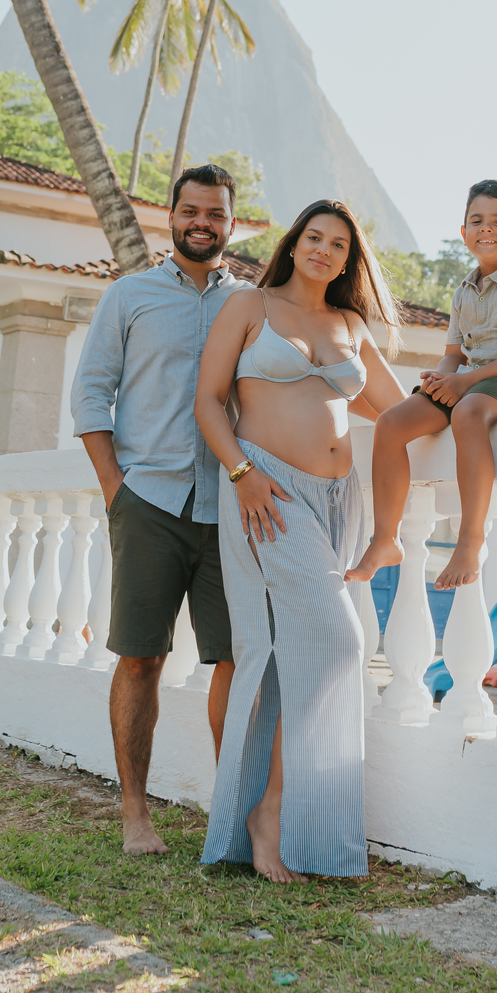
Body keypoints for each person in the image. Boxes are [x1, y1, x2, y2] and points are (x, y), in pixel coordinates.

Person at [195, 199, 405, 884]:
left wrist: (479, 384)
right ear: (293, 245)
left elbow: (396, 409)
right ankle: (270, 813)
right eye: (314, 237)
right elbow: (208, 401)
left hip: (337, 500)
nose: (324, 250)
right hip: (270, 493)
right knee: (341, 641)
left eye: (339, 245)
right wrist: (243, 472)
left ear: (350, 261)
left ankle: (278, 820)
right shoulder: (249, 309)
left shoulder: (349, 324)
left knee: (306, 656)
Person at [71, 162, 246, 856]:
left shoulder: (251, 306)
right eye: (191, 211)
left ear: (232, 225)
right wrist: (117, 486)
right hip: (149, 500)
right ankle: (136, 811)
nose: (202, 223)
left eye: (216, 214)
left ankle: (228, 810)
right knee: (140, 657)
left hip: (230, 508)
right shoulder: (130, 296)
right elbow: (91, 394)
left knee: (234, 658)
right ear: (170, 217)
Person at [347, 178, 497, 592]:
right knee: (391, 422)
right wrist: (443, 376)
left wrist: (465, 383)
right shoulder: (464, 290)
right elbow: (453, 353)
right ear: (463, 232)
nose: (486, 228)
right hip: (470, 380)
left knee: (467, 412)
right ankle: (385, 539)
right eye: (476, 221)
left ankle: (470, 539)